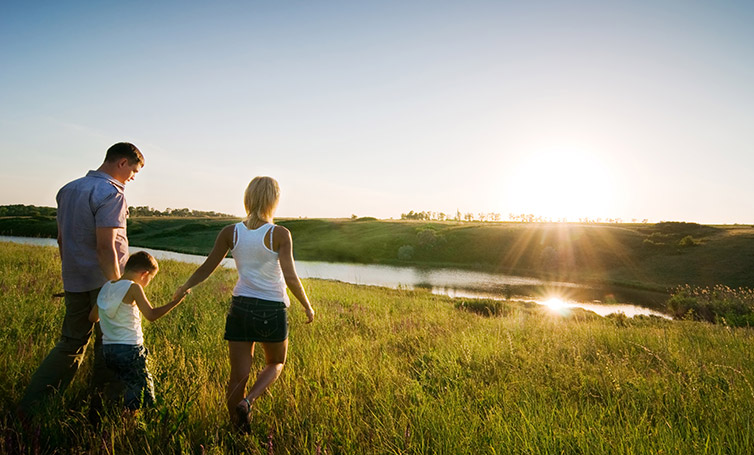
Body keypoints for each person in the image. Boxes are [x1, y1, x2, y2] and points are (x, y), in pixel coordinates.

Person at [173, 176, 315, 432]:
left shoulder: (231, 232)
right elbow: (291, 276)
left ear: (248, 198)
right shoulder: (279, 234)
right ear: (274, 200)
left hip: (240, 306)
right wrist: (306, 304)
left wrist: (186, 286)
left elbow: (208, 266)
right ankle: (248, 402)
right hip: (271, 308)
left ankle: (236, 429)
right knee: (276, 363)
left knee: (238, 375)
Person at [17, 142, 144, 417]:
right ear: (122, 162)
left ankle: (33, 406)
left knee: (70, 343)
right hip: (104, 282)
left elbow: (62, 238)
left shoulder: (68, 189)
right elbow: (106, 246)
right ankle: (100, 412)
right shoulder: (111, 192)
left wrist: (70, 273)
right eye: (133, 171)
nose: (133, 178)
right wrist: (117, 288)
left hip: (74, 278)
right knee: (109, 345)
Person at [88, 251, 189, 411]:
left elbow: (93, 317)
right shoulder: (133, 287)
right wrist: (176, 302)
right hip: (130, 349)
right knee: (141, 396)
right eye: (150, 278)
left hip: (108, 350)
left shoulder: (106, 287)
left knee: (117, 390)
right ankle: (130, 428)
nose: (148, 282)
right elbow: (151, 315)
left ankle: (110, 422)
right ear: (144, 274)